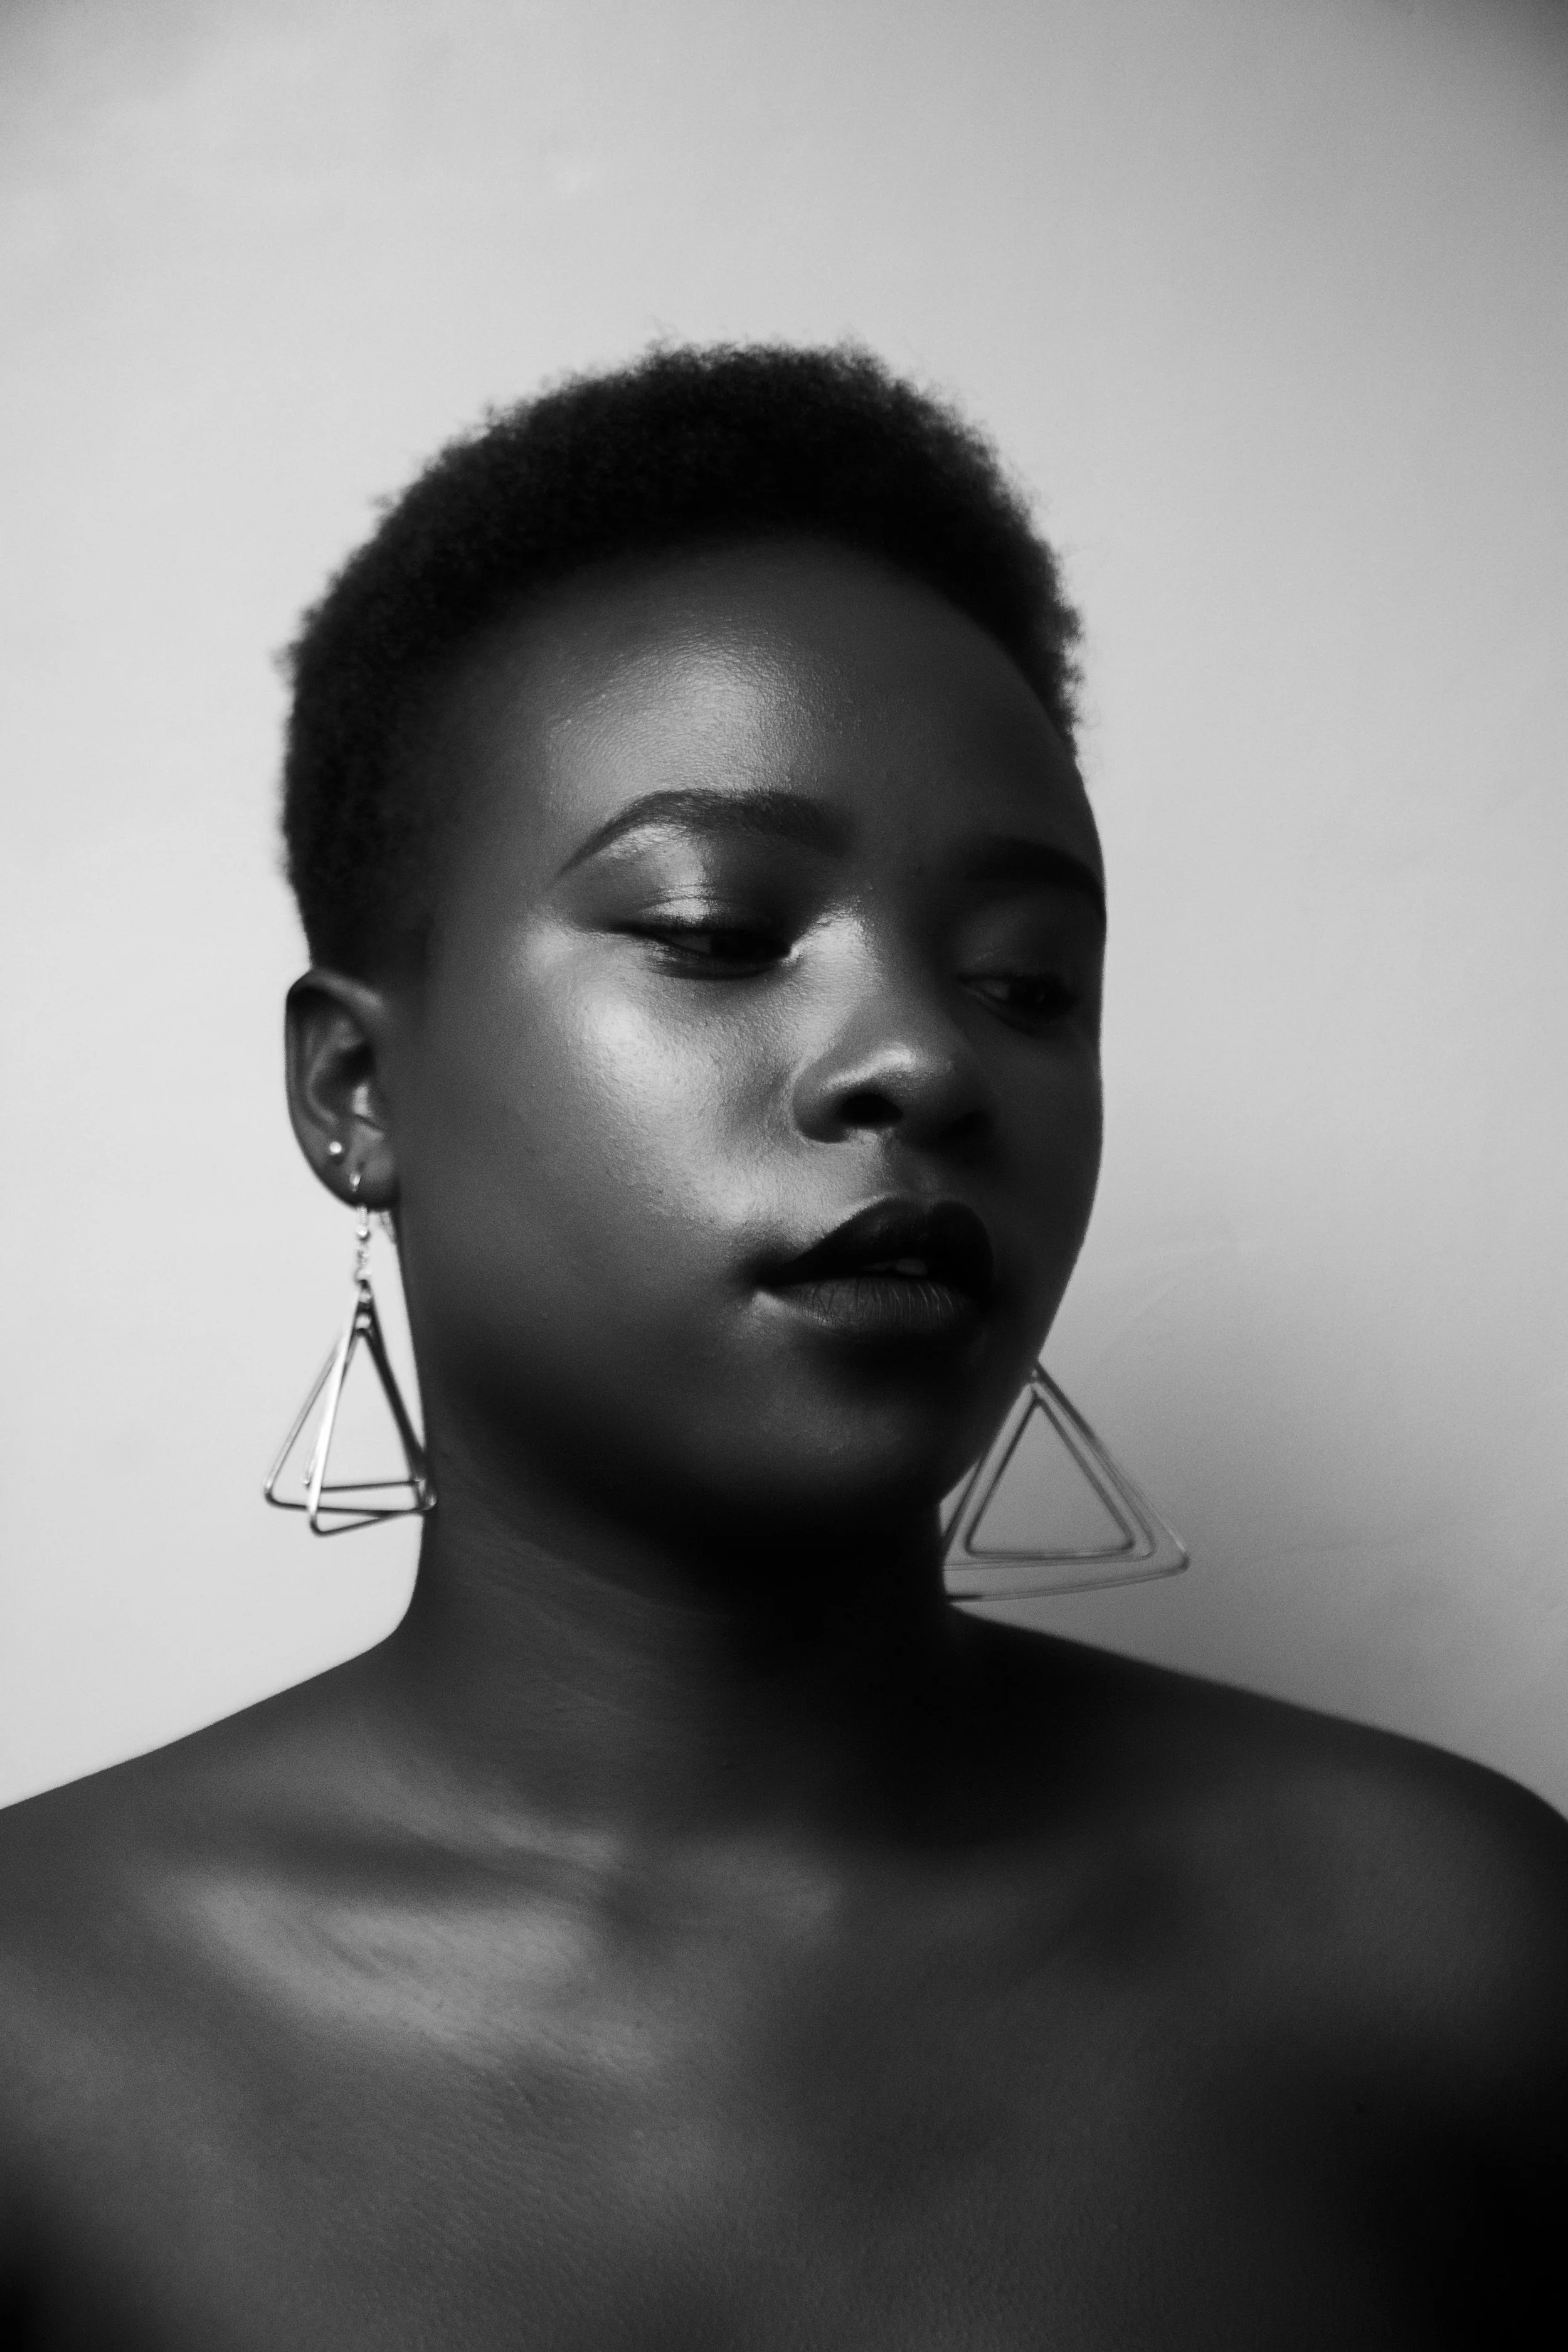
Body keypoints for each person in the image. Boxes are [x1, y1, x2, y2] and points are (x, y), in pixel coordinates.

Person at [1, 344, 1563, 2350]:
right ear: (353, 1089)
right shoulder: (46, 2039)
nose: (920, 1054)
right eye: (723, 932)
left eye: (1026, 976)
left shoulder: (1427, 1962)